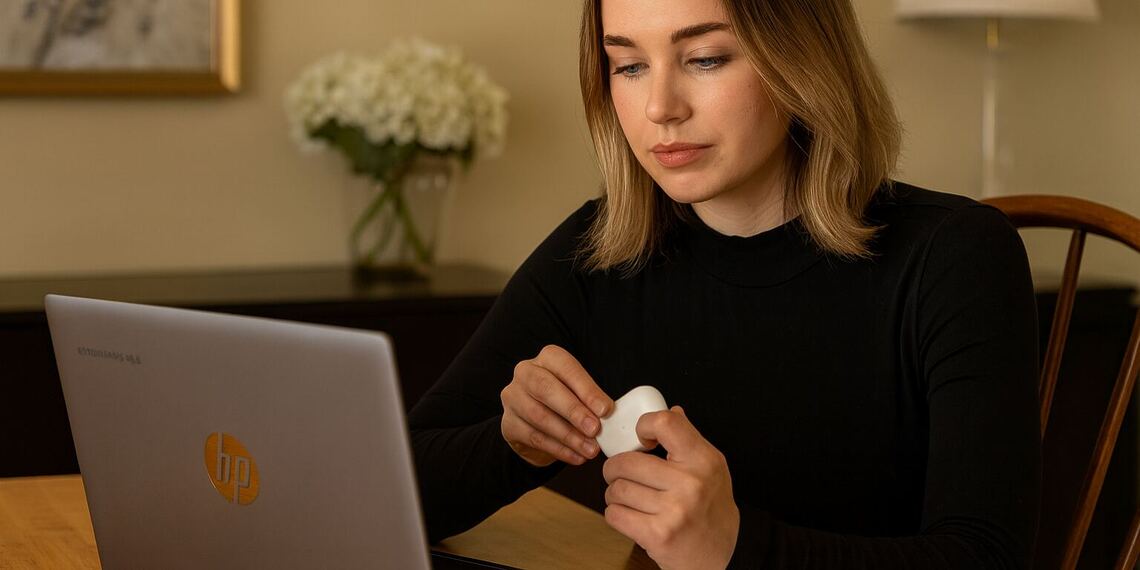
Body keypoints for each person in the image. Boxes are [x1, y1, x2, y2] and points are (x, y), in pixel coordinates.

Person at [408, 0, 1041, 567]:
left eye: (706, 59)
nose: (661, 108)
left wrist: (738, 550)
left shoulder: (956, 254)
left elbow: (983, 553)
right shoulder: (599, 248)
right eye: (627, 66)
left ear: (802, 60)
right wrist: (513, 443)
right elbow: (397, 492)